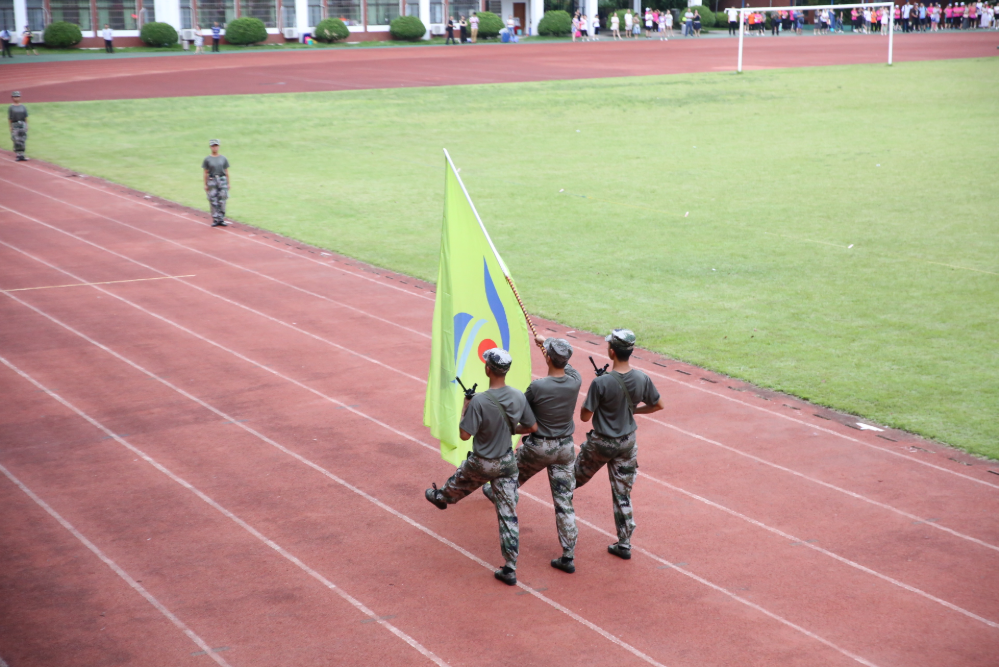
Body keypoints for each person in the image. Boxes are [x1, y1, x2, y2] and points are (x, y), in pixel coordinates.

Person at [426, 348, 537, 586]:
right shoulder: (519, 396)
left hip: (482, 462)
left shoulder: (479, 401)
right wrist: (509, 429)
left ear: (488, 369)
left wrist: (467, 404)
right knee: (508, 515)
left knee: (460, 480)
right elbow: (531, 427)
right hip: (507, 463)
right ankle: (510, 567)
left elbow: (465, 435)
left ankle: (443, 497)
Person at [483, 336, 580, 574]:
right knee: (564, 503)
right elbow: (566, 364)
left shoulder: (538, 387)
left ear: (548, 357)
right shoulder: (576, 381)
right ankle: (568, 556)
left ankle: (495, 494)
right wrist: (546, 345)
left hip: (539, 446)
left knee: (510, 478)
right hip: (566, 449)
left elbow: (521, 414)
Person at [575, 329, 663, 560]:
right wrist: (634, 409)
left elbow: (585, 417)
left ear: (611, 352)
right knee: (622, 493)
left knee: (570, 480)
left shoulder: (601, 382)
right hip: (627, 443)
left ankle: (564, 528)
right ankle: (624, 543)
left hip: (601, 443)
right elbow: (657, 405)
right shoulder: (642, 378)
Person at [202, 139, 230, 227]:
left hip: (222, 180)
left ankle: (221, 218)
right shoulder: (207, 159)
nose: (215, 147)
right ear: (210, 147)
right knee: (213, 199)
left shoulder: (223, 158)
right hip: (212, 180)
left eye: (216, 146)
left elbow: (226, 171)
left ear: (219, 146)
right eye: (213, 146)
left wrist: (228, 183)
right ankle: (215, 218)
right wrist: (205, 184)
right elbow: (205, 172)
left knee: (222, 199)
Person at [8, 91, 29, 161]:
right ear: (12, 98)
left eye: (17, 96)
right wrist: (10, 126)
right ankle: (18, 155)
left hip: (22, 124)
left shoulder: (23, 106)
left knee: (22, 139)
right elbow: (10, 118)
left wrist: (26, 125)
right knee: (16, 140)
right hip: (15, 124)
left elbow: (26, 117)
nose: (16, 98)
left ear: (20, 97)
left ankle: (22, 154)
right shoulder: (11, 107)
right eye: (15, 97)